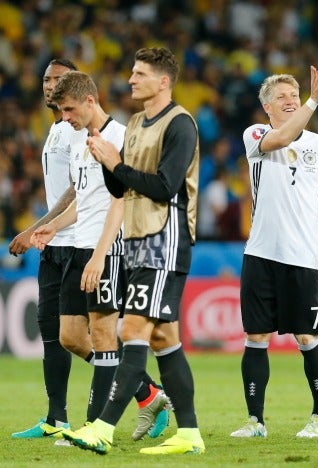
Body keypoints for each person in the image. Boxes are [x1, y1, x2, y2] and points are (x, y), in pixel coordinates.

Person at [60, 47, 204, 455]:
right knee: (163, 338)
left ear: (163, 81)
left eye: (139, 74)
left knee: (132, 329)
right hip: (139, 241)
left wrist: (115, 162)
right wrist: (108, 164)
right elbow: (121, 189)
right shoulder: (138, 122)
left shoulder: (180, 125)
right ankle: (190, 433)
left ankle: (102, 427)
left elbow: (164, 187)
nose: (131, 79)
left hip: (166, 239)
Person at [30, 70, 170, 440]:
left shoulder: (120, 139)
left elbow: (119, 203)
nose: (65, 118)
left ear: (90, 101)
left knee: (105, 335)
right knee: (71, 336)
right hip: (81, 246)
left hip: (108, 249)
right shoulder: (79, 140)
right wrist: (54, 226)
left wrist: (100, 255)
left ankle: (95, 427)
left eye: (69, 110)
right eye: (61, 112)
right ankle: (148, 393)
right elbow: (84, 197)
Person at [229, 67, 318, 439]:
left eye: (295, 95)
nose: (290, 100)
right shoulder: (257, 134)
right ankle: (255, 421)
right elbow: (282, 138)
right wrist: (316, 100)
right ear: (266, 106)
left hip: (302, 257)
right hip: (261, 253)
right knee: (256, 337)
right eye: (282, 96)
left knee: (306, 338)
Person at [9, 58, 85, 444]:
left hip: (75, 241)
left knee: (80, 336)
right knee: (51, 332)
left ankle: (147, 392)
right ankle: (57, 417)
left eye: (57, 79)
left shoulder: (75, 129)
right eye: (45, 79)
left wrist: (36, 226)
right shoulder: (56, 128)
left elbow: (77, 187)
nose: (48, 84)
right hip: (53, 244)